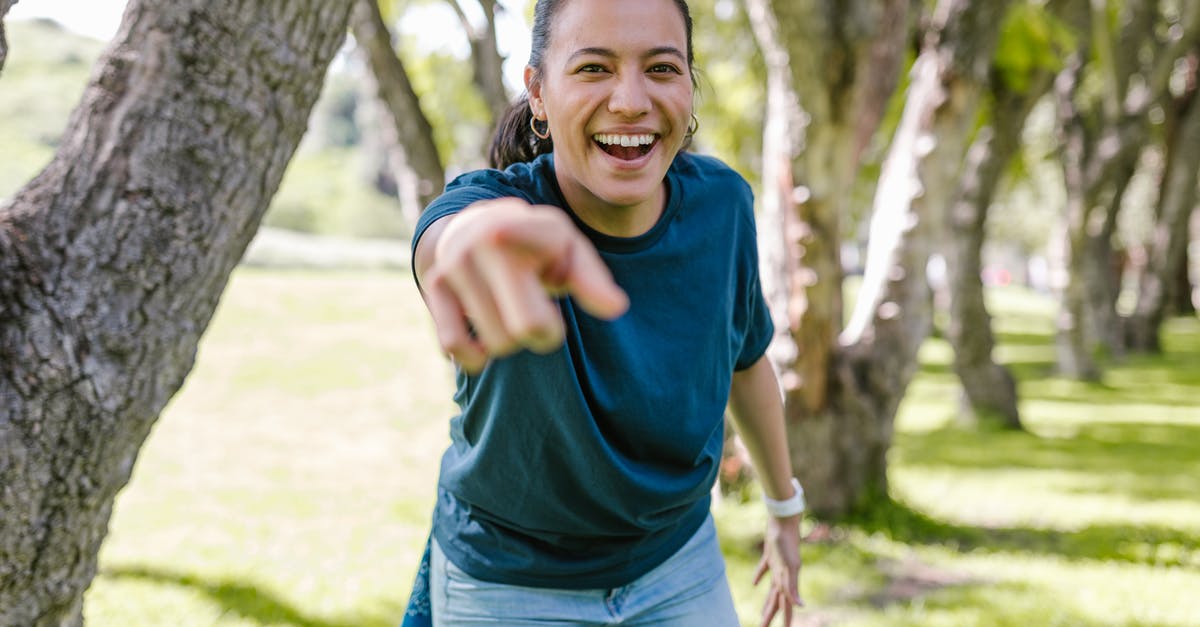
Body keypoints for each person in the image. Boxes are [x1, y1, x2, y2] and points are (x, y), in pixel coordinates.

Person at [402, 0, 804, 624]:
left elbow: (746, 361)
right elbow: (450, 235)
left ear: (690, 85)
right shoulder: (494, 207)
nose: (630, 100)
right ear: (538, 92)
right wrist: (468, 241)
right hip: (508, 583)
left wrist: (784, 508)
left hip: (678, 564)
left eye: (662, 69)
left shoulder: (722, 205)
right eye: (593, 68)